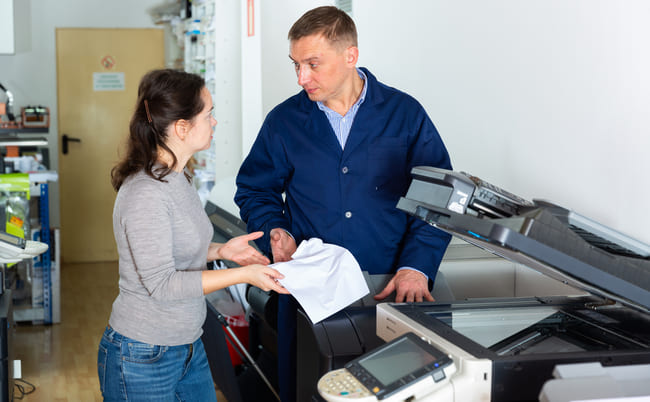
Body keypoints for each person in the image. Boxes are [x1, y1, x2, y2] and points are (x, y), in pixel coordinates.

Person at [235, 6, 452, 401]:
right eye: (296, 65)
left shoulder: (404, 114)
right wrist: (275, 231)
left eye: (313, 64)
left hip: (390, 287)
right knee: (310, 390)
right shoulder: (283, 121)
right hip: (309, 289)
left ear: (350, 56)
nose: (302, 77)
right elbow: (255, 190)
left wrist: (416, 267)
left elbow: (437, 199)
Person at [97, 68, 289, 402]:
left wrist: (222, 251)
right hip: (142, 353)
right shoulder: (145, 193)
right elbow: (162, 284)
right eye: (209, 114)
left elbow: (177, 247)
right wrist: (243, 274)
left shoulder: (177, 177)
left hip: (186, 345)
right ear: (182, 127)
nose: (214, 122)